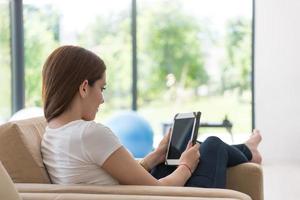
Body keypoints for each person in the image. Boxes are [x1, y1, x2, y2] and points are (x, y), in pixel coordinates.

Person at [41, 45, 262, 188]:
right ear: (83, 88)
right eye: (102, 88)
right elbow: (157, 190)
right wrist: (185, 167)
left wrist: (155, 156)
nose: (102, 99)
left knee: (184, 152)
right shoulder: (90, 133)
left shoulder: (51, 134)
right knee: (211, 145)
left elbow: (116, 177)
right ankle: (248, 151)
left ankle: (247, 149)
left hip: (131, 193)